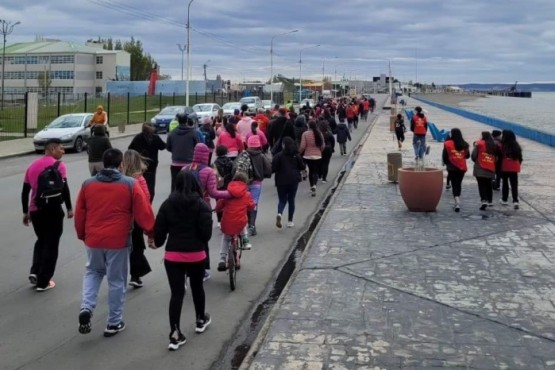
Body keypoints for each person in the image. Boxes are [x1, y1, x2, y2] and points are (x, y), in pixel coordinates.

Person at [75, 148, 155, 337]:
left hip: (93, 239)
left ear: (103, 163)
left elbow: (80, 213)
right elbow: (144, 212)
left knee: (93, 272)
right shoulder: (130, 184)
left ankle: (86, 307)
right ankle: (114, 322)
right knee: (116, 281)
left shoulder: (88, 184)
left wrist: (82, 234)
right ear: (121, 164)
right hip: (118, 240)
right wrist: (151, 232)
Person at [150, 171, 213, 351]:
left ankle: (175, 333)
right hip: (196, 255)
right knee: (197, 288)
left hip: (173, 256)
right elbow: (206, 235)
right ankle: (200, 319)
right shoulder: (202, 205)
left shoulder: (167, 204)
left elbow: (160, 237)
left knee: (177, 294)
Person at [21, 138, 73, 291]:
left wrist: (26, 212)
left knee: (42, 240)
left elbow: (25, 191)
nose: (63, 151)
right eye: (60, 148)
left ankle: (35, 272)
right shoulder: (59, 165)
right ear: (51, 149)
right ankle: (44, 282)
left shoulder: (32, 166)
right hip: (54, 210)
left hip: (36, 210)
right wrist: (69, 208)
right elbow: (65, 188)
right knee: (52, 244)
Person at [183, 143, 231, 281]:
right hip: (203, 208)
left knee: (188, 237)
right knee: (202, 239)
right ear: (206, 155)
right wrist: (230, 194)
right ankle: (202, 269)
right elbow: (213, 192)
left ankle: (186, 268)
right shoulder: (208, 171)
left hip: (185, 208)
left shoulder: (184, 169)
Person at [122, 149, 152, 288]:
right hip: (136, 218)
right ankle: (136, 274)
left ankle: (135, 273)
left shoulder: (119, 179)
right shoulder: (139, 179)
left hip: (122, 218)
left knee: (127, 246)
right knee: (137, 245)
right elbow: (146, 198)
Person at [215, 172, 256, 272]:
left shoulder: (227, 193)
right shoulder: (247, 194)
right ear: (245, 183)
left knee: (225, 238)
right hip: (239, 222)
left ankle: (222, 259)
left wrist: (217, 209)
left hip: (227, 222)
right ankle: (245, 240)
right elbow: (251, 206)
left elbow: (219, 206)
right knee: (242, 222)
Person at [233, 135, 272, 236]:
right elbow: (268, 169)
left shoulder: (242, 155)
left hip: (243, 183)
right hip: (256, 184)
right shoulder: (261, 156)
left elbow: (235, 168)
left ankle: (243, 224)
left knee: (243, 203)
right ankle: (252, 226)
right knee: (253, 204)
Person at [272, 137, 306, 228]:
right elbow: (302, 166)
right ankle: (290, 221)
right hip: (294, 179)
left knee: (282, 199)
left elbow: (273, 168)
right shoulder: (296, 155)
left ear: (283, 145)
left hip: (281, 180)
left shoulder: (278, 156)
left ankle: (279, 213)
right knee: (291, 199)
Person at [128, 122, 167, 202]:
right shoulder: (155, 138)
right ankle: (148, 202)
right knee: (150, 185)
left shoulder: (138, 137)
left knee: (139, 183)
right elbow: (163, 146)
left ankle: (140, 200)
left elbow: (130, 148)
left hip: (139, 165)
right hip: (152, 165)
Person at [167, 113, 200, 192]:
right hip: (190, 163)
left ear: (178, 121)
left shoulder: (172, 133)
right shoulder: (193, 132)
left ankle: (175, 201)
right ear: (187, 121)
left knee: (175, 186)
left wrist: (175, 151)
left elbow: (168, 147)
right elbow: (198, 146)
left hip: (176, 163)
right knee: (190, 186)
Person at [442, 128, 470, 212]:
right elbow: (467, 156)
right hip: (462, 167)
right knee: (458, 184)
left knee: (454, 184)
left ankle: (457, 201)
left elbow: (445, 156)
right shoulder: (465, 144)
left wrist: (447, 164)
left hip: (452, 167)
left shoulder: (447, 143)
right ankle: (457, 198)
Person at [471, 131, 498, 211]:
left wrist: (476, 160)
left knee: (481, 185)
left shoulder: (479, 144)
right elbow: (496, 159)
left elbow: (473, 156)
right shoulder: (494, 145)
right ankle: (490, 200)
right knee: (488, 184)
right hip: (490, 168)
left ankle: (484, 200)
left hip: (480, 168)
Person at [299, 120, 324, 197]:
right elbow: (322, 145)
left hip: (308, 155)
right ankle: (314, 186)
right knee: (316, 172)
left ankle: (311, 185)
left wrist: (299, 152)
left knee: (311, 171)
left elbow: (303, 146)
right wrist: (320, 151)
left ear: (308, 126)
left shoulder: (305, 134)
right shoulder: (319, 133)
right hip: (317, 155)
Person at [499, 130, 523, 209]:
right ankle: (515, 201)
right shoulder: (516, 145)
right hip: (514, 167)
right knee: (514, 185)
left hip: (505, 166)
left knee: (505, 183)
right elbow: (520, 158)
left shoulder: (502, 145)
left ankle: (504, 199)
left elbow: (500, 156)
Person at [213, 145, 234, 228]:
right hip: (229, 185)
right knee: (229, 202)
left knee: (219, 203)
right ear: (226, 152)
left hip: (218, 186)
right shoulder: (231, 162)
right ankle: (229, 219)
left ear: (217, 153)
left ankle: (219, 220)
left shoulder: (214, 163)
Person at [318, 119, 335, 183]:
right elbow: (333, 141)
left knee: (319, 162)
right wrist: (332, 148)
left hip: (320, 149)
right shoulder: (329, 133)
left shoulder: (319, 133)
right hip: (328, 149)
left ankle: (319, 175)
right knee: (326, 163)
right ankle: (324, 178)